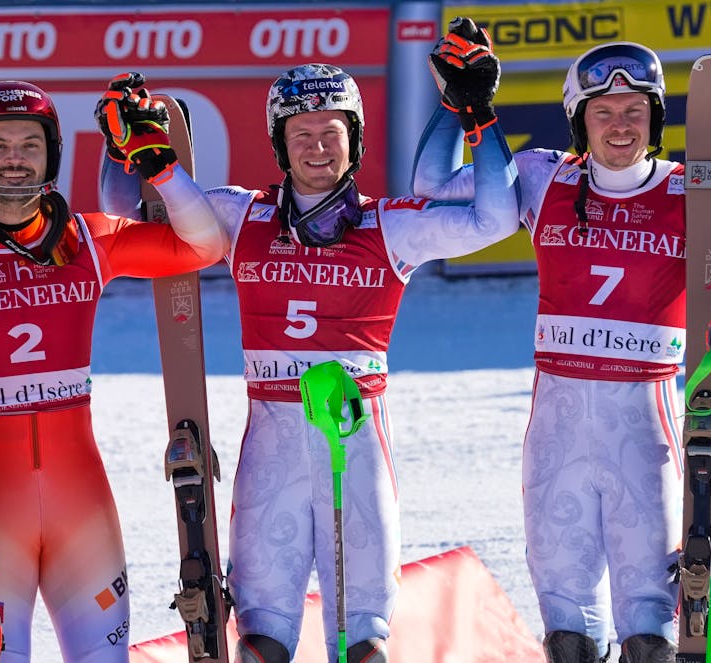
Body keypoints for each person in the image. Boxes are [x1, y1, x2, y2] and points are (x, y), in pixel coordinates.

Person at [99, 60, 519, 662]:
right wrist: (121, 148)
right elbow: (131, 222)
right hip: (273, 448)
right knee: (261, 641)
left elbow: (495, 219)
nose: (318, 147)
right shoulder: (243, 215)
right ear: (279, 144)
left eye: (332, 132)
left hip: (357, 445)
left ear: (355, 138)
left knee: (363, 643)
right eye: (301, 133)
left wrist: (471, 114)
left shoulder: (391, 225)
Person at [412, 25, 711, 663]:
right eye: (605, 112)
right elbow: (432, 183)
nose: (621, 126)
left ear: (657, 118)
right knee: (568, 640)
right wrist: (460, 105)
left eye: (636, 112)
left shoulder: (690, 190)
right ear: (577, 119)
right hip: (555, 437)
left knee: (651, 638)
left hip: (644, 433)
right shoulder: (539, 176)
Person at [0, 80, 228, 662]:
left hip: (81, 508)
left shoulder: (87, 239)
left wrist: (158, 167)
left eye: (29, 144)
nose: (13, 158)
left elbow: (205, 245)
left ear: (51, 155)